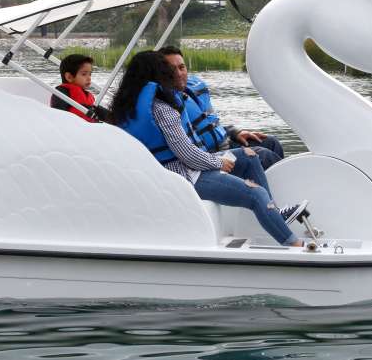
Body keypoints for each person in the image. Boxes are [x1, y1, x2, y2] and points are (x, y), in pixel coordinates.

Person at [110, 50, 309, 247]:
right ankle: (294, 245)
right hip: (185, 176)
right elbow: (187, 155)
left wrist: (227, 143)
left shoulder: (128, 108)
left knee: (249, 155)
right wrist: (218, 162)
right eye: (167, 71)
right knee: (256, 193)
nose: (173, 75)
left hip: (170, 171)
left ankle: (273, 214)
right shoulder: (163, 109)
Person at [159, 46, 285, 169]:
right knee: (264, 156)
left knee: (271, 142)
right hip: (212, 156)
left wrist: (235, 132)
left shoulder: (191, 91)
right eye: (171, 69)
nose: (178, 74)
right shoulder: (165, 105)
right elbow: (185, 144)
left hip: (226, 143)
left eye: (182, 67)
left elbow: (209, 124)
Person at [51, 54, 109, 123]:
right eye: (84, 74)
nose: (89, 78)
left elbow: (97, 110)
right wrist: (86, 109)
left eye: (90, 74)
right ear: (69, 77)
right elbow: (57, 112)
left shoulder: (88, 95)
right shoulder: (61, 92)